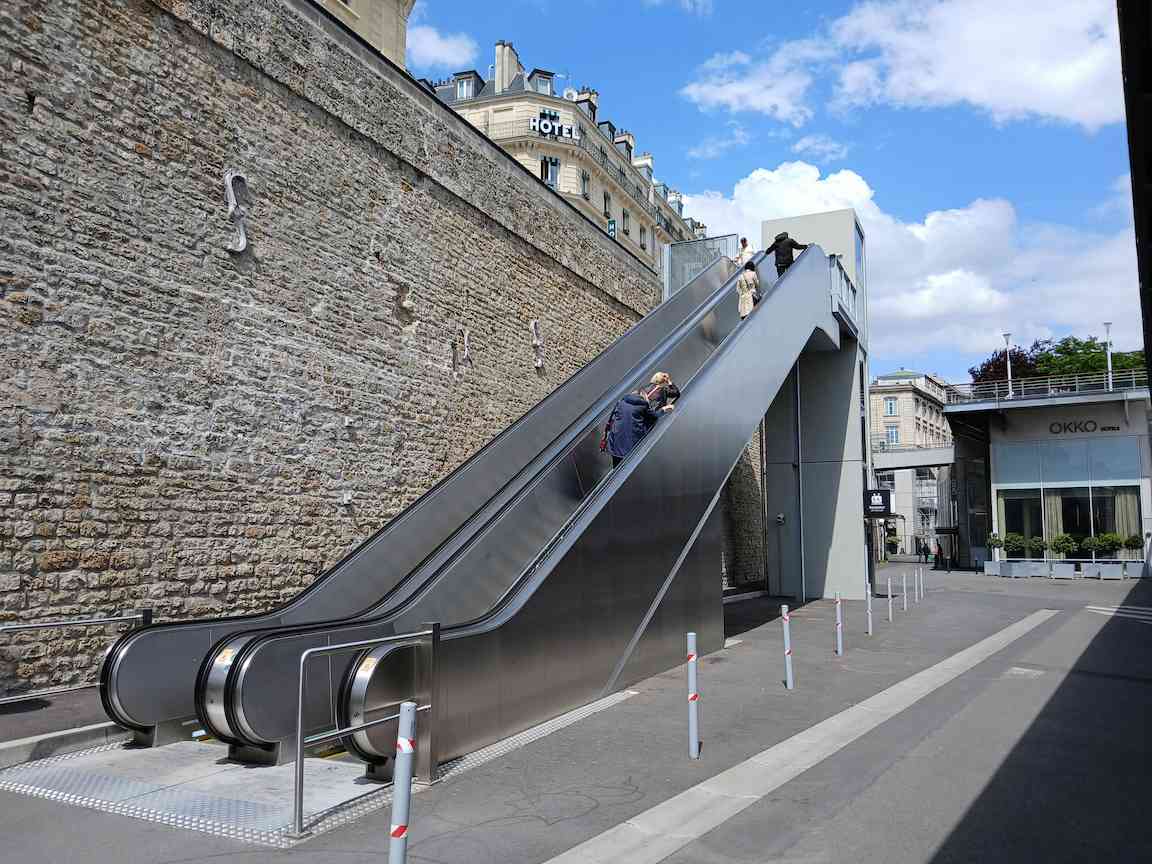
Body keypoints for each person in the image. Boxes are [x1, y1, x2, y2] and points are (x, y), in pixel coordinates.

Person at [601, 378, 676, 467]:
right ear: (647, 395)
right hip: (629, 447)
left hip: (615, 443)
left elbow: (611, 418)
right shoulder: (643, 405)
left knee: (616, 468)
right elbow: (654, 416)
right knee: (627, 468)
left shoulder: (622, 401)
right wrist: (663, 409)